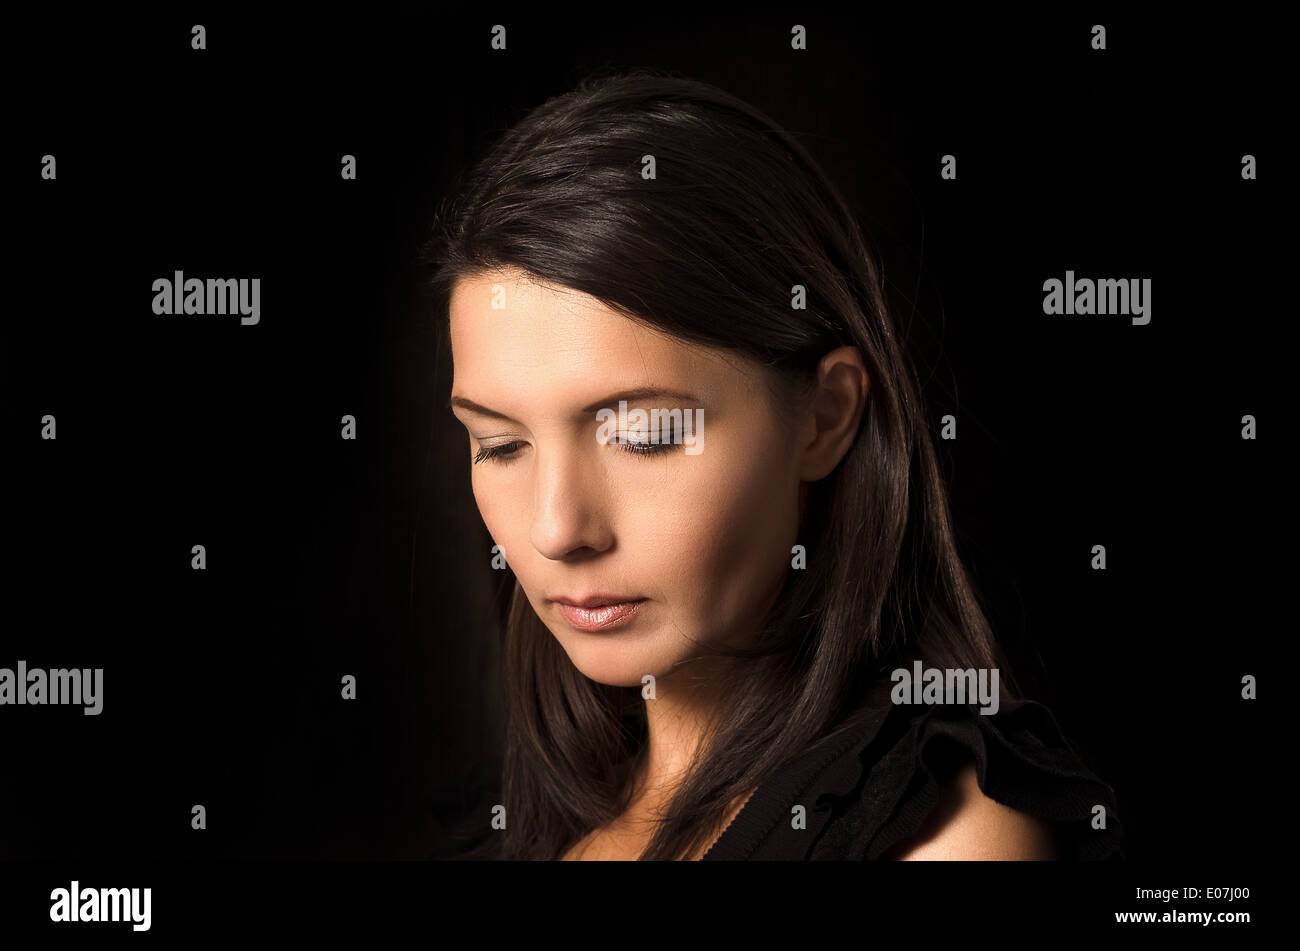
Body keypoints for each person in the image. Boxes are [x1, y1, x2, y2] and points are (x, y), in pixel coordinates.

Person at [421, 68, 1123, 861]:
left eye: (644, 434)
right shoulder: (517, 822)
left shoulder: (945, 838)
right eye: (501, 445)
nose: (556, 529)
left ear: (824, 416)